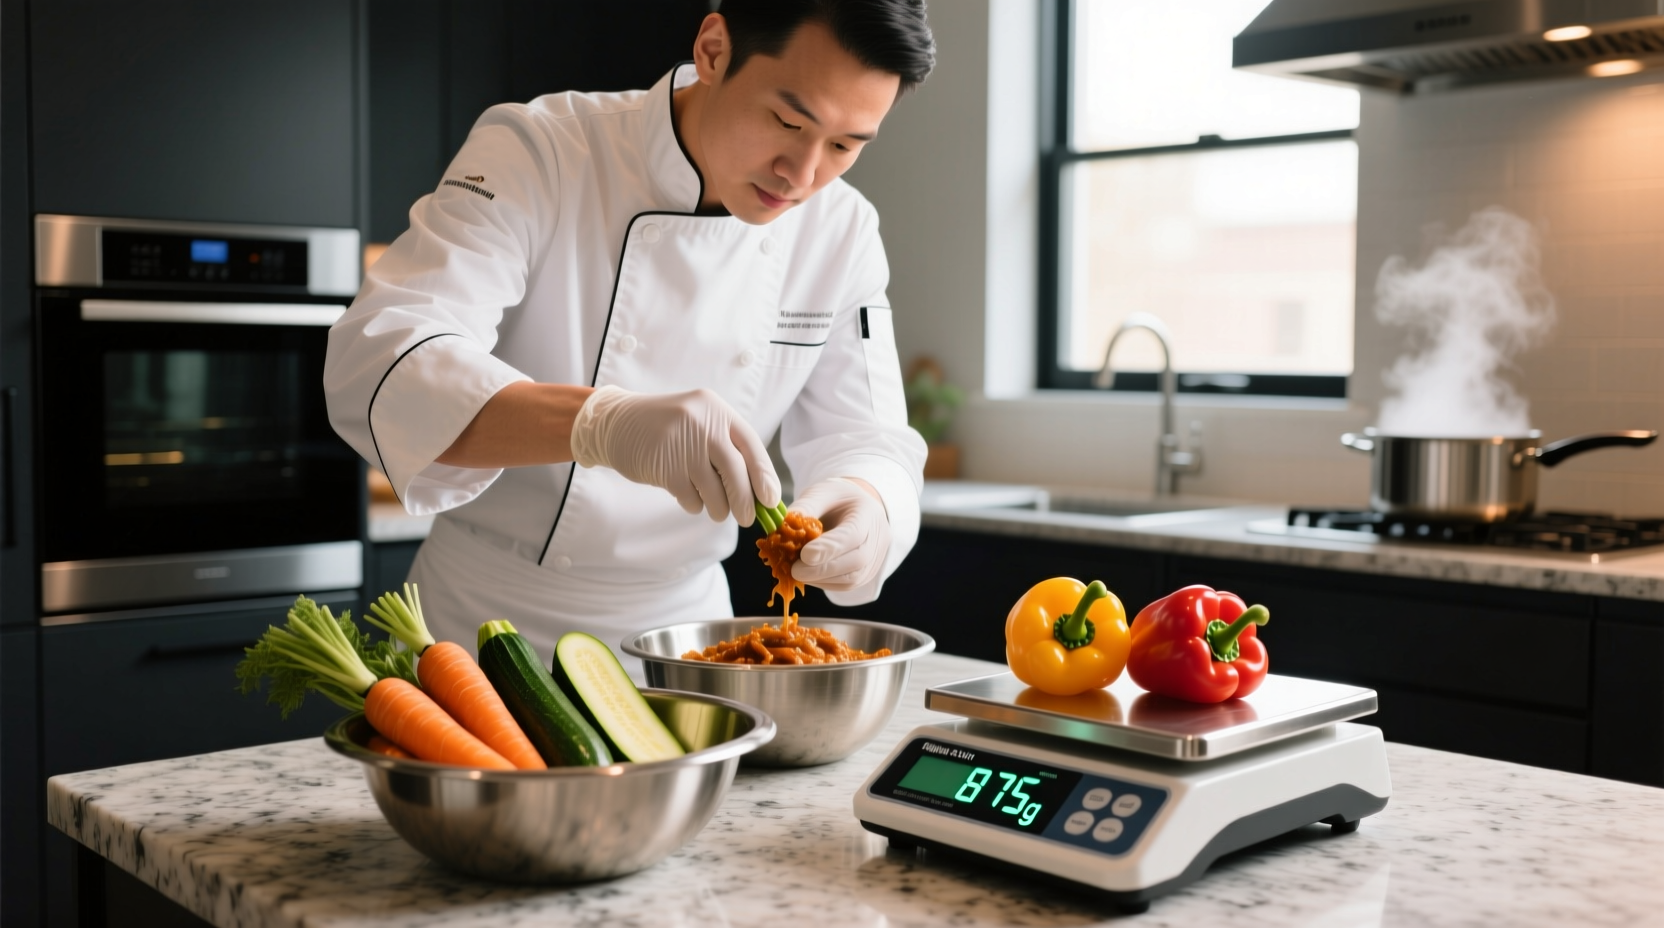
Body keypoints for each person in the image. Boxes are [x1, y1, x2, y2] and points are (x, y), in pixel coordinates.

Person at [324, 0, 934, 670]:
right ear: (713, 50)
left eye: (846, 145)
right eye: (786, 121)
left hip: (688, 645)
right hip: (481, 633)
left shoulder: (839, 231)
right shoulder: (543, 150)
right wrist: (600, 424)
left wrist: (872, 504)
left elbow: (870, 438)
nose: (803, 173)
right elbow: (383, 356)